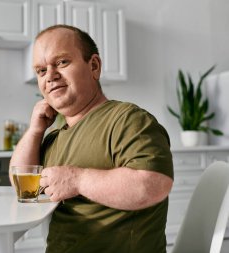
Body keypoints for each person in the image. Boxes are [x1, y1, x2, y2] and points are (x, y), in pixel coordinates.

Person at [10, 24, 174, 253]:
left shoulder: (127, 119)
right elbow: (22, 187)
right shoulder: (54, 137)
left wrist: (78, 180)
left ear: (94, 66)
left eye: (61, 62)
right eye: (41, 71)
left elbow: (154, 185)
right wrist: (35, 131)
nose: (50, 76)